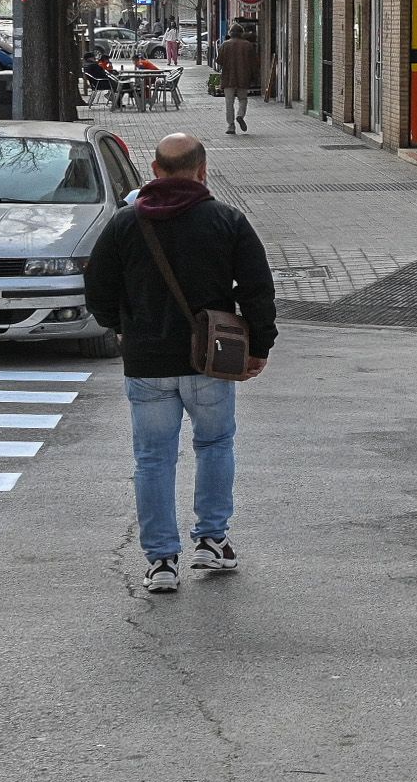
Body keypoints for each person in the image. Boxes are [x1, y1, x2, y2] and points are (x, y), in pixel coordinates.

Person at [81, 131, 279, 594]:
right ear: (202, 170)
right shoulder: (227, 221)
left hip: (147, 361)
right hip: (210, 360)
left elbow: (98, 291)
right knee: (214, 445)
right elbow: (257, 290)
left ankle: (160, 561)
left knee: (153, 459)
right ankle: (211, 539)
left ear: (155, 171)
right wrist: (259, 346)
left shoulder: (124, 225)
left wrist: (123, 326)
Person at [214, 16, 263, 135]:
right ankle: (240, 115)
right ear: (242, 33)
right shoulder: (248, 45)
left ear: (230, 33)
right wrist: (255, 76)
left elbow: (219, 61)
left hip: (228, 78)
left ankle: (231, 126)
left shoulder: (225, 45)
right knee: (243, 99)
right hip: (243, 77)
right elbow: (254, 63)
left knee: (229, 103)